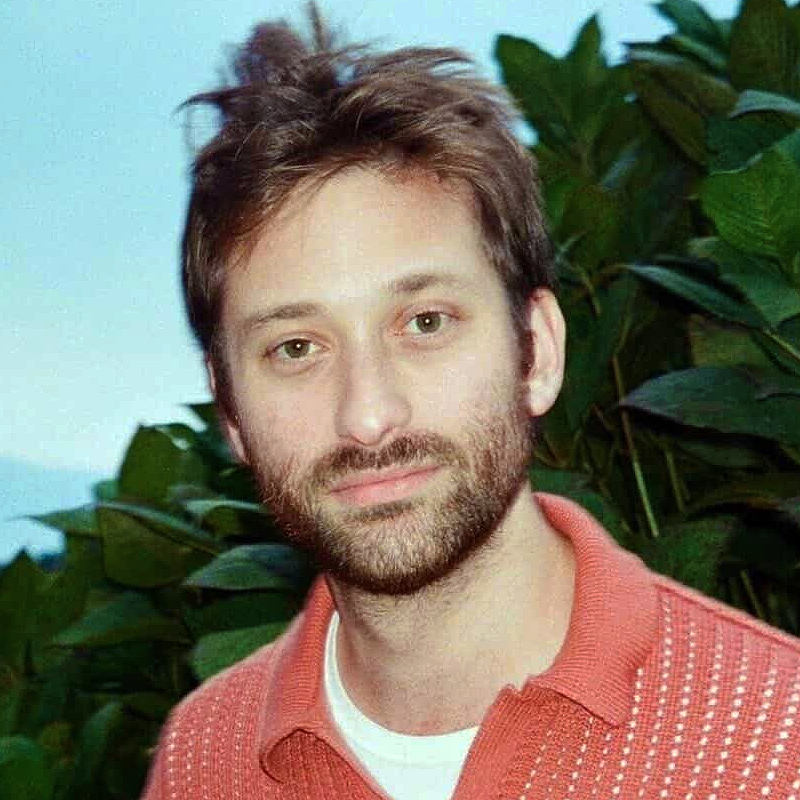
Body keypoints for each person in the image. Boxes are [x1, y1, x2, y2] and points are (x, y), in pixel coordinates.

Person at [141, 12, 800, 800]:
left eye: (425, 323)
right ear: (231, 414)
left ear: (538, 352)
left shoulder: (777, 739)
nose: (368, 415)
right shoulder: (203, 758)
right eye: (296, 347)